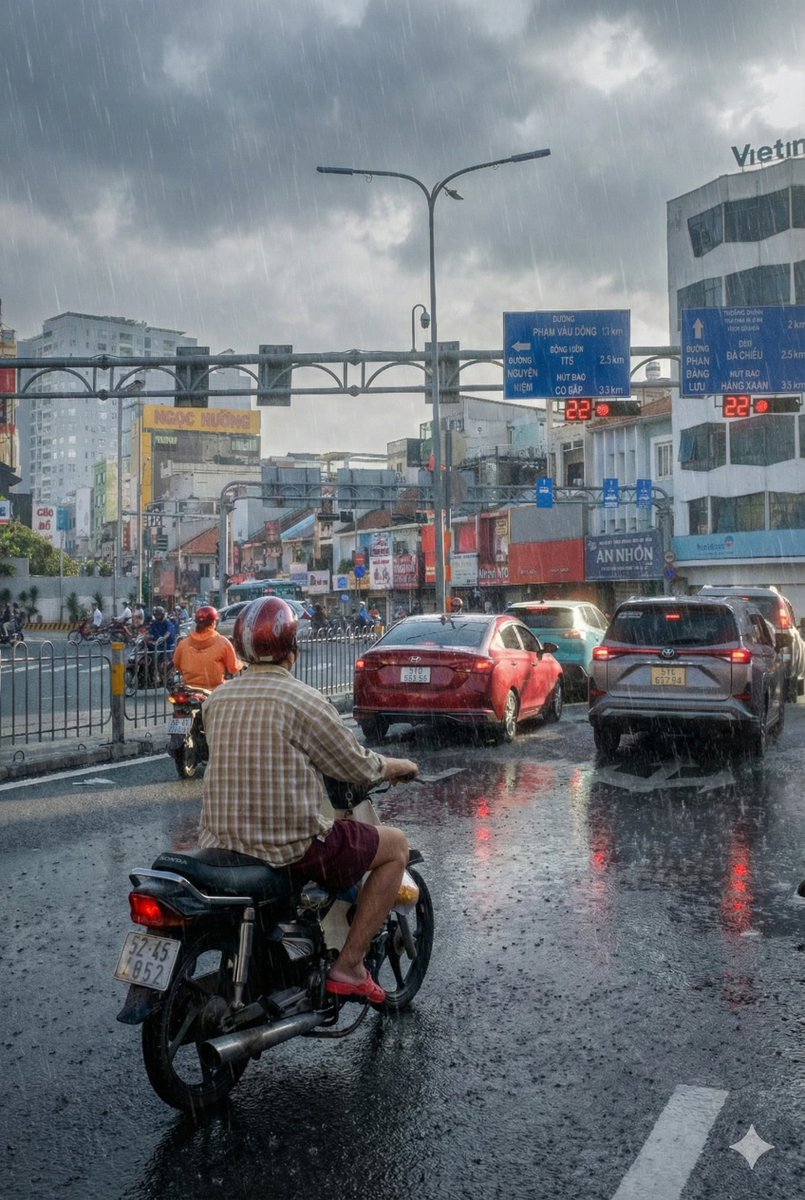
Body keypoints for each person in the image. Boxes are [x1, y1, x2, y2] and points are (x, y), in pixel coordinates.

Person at [199, 597, 418, 1006]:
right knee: (396, 847)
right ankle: (350, 966)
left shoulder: (217, 700)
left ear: (242, 649)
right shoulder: (304, 700)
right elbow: (355, 765)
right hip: (288, 847)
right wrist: (396, 765)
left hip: (221, 844)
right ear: (293, 649)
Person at [172, 605, 242, 691]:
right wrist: (241, 664)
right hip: (215, 691)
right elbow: (233, 668)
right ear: (214, 622)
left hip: (190, 690)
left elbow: (177, 664)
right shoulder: (223, 643)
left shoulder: (183, 644)